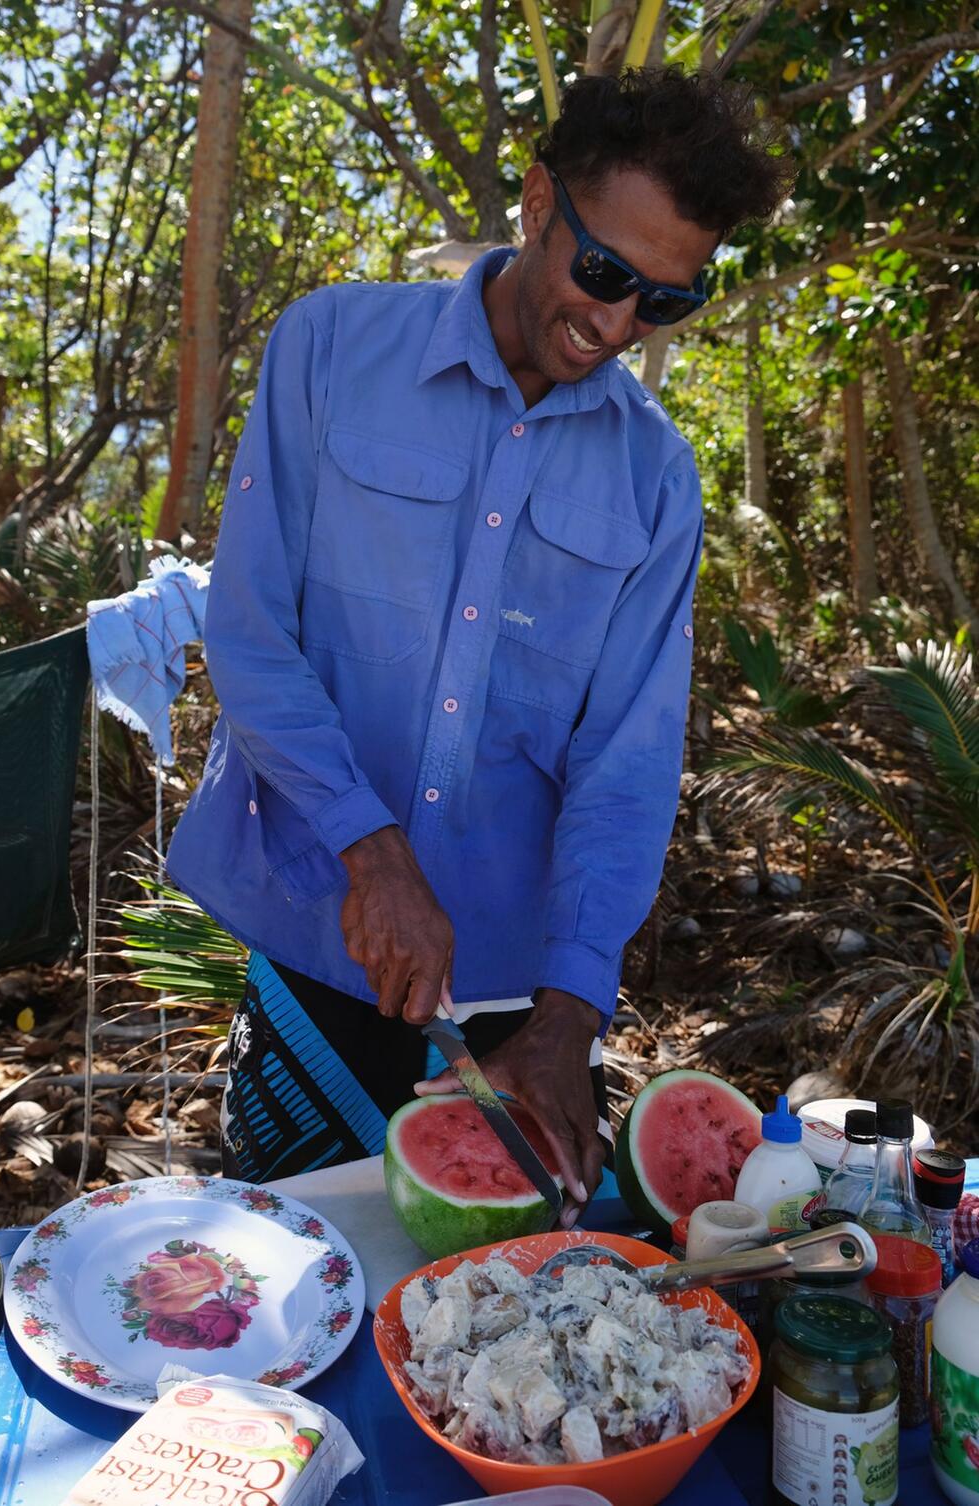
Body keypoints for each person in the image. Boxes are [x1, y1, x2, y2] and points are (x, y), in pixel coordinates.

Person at [166, 65, 791, 1225]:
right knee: (281, 1295)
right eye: (603, 273)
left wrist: (570, 1011)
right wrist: (372, 850)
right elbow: (251, 638)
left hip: (525, 997)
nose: (614, 323)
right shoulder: (327, 349)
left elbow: (626, 762)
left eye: (663, 302)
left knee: (503, 1341)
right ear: (536, 201)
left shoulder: (658, 480)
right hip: (315, 937)